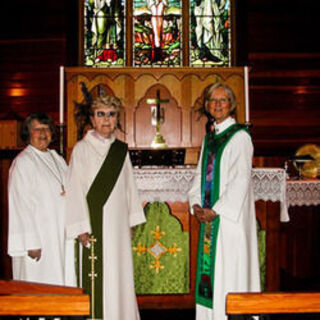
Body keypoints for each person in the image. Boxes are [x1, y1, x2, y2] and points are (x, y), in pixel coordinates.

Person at [66, 95, 146, 320]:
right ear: (91, 118)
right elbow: (75, 189)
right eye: (100, 114)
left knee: (119, 275)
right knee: (99, 278)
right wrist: (80, 225)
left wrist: (131, 220)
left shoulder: (120, 150)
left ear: (117, 118)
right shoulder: (82, 149)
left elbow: (130, 186)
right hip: (93, 225)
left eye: (111, 114)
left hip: (118, 226)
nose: (106, 120)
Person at [188, 83, 260, 320]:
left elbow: (240, 179)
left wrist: (216, 210)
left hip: (229, 221)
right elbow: (200, 174)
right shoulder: (210, 138)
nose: (217, 105)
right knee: (213, 271)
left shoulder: (239, 137)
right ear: (207, 105)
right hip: (210, 218)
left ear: (232, 105)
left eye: (223, 100)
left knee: (229, 269)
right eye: (213, 100)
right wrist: (196, 204)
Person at [7, 112, 75, 286]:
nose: (43, 134)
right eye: (37, 129)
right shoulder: (23, 162)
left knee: (59, 282)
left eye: (46, 129)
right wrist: (30, 241)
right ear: (28, 134)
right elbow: (20, 205)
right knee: (38, 285)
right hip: (39, 240)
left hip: (58, 234)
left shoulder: (56, 158)